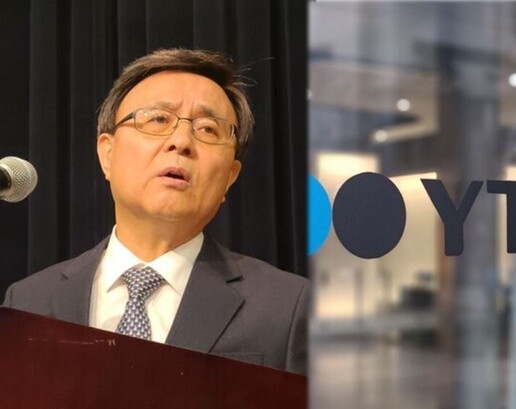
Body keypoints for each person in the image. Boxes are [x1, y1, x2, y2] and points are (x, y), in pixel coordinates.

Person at [2, 48, 308, 375]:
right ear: (107, 154)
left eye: (208, 129)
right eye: (158, 119)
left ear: (230, 177)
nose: (181, 141)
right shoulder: (28, 303)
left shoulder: (288, 308)